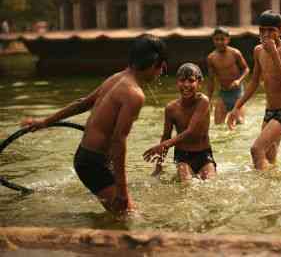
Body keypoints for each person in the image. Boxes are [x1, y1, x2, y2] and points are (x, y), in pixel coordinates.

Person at [21, 36, 167, 215]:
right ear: (154, 65)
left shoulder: (116, 77)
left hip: (87, 156)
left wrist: (45, 122)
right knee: (127, 216)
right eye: (161, 68)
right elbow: (118, 141)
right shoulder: (134, 95)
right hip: (93, 162)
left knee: (123, 215)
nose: (160, 73)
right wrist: (122, 191)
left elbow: (82, 103)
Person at [227, 10, 281, 171]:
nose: (266, 34)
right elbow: (254, 82)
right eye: (262, 30)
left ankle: (262, 191)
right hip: (269, 111)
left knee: (256, 150)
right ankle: (276, 189)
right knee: (269, 158)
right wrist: (237, 106)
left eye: (271, 30)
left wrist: (274, 53)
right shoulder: (258, 50)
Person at [143, 63, 216, 182]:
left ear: (199, 83)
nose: (186, 85)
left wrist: (165, 145)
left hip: (204, 155)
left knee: (211, 185)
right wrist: (158, 166)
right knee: (186, 186)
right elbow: (166, 136)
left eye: (191, 81)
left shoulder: (203, 101)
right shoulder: (171, 108)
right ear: (177, 82)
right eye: (182, 80)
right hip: (183, 156)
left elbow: (191, 131)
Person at [207, 27, 250, 124]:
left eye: (222, 39)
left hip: (237, 93)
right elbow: (211, 80)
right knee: (218, 125)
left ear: (228, 39)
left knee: (240, 123)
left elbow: (246, 69)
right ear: (213, 40)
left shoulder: (235, 53)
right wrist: (208, 100)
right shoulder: (211, 58)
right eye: (217, 39)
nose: (219, 42)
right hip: (223, 94)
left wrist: (238, 81)